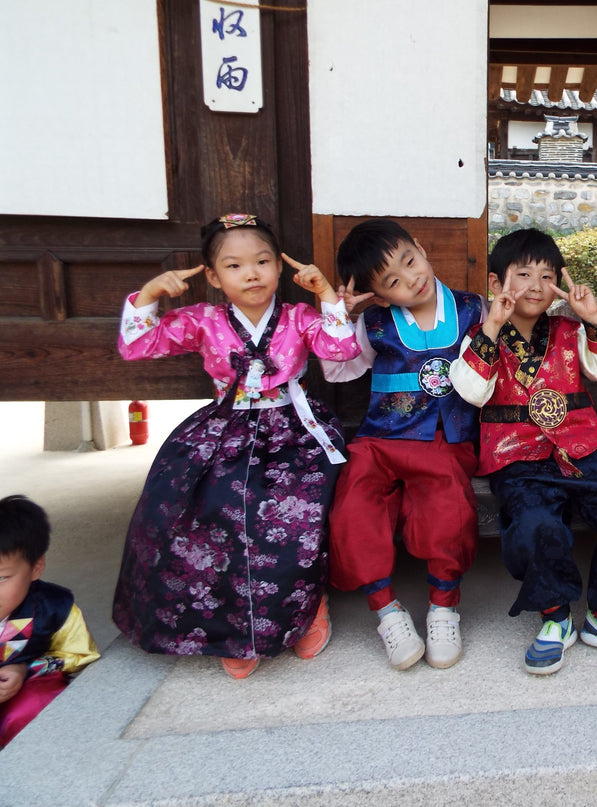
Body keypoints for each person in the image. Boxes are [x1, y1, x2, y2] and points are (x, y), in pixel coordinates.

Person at [113, 214, 360, 679]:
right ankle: (232, 628)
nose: (251, 273)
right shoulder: (202, 320)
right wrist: (149, 295)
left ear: (279, 268)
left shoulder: (297, 317)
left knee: (295, 509)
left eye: (263, 261)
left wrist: (326, 295)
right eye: (234, 265)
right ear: (212, 276)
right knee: (202, 505)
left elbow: (341, 350)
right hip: (225, 429)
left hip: (294, 428)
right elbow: (138, 346)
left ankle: (308, 607)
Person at [451, 228, 597, 675]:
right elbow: (471, 391)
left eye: (546, 276)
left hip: (583, 444)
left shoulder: (571, 329)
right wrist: (492, 326)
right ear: (496, 284)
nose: (534, 285)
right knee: (534, 522)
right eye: (523, 273)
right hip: (517, 454)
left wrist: (593, 317)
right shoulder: (481, 334)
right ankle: (555, 615)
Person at [321, 219, 486, 671]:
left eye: (409, 261)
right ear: (379, 295)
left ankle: (443, 607)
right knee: (353, 501)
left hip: (444, 438)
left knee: (448, 506)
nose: (410, 279)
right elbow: (339, 371)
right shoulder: (373, 322)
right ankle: (387, 611)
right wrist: (340, 316)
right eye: (392, 281)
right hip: (378, 439)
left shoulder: (475, 309)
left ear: (420, 246)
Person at [0, 495, 99, 749]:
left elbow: (81, 654)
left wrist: (25, 669)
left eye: (1, 578)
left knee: (35, 706)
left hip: (18, 702)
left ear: (36, 567)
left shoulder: (54, 607)